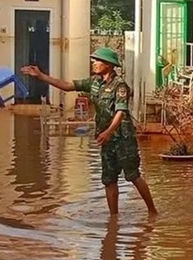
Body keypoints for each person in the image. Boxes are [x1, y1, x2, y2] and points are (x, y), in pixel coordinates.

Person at [21, 47, 157, 216]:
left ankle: (152, 211)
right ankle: (113, 218)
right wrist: (41, 76)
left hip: (123, 137)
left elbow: (121, 112)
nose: (94, 63)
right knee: (109, 179)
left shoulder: (120, 85)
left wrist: (108, 131)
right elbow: (67, 86)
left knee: (133, 175)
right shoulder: (94, 82)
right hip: (106, 139)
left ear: (108, 65)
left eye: (97, 61)